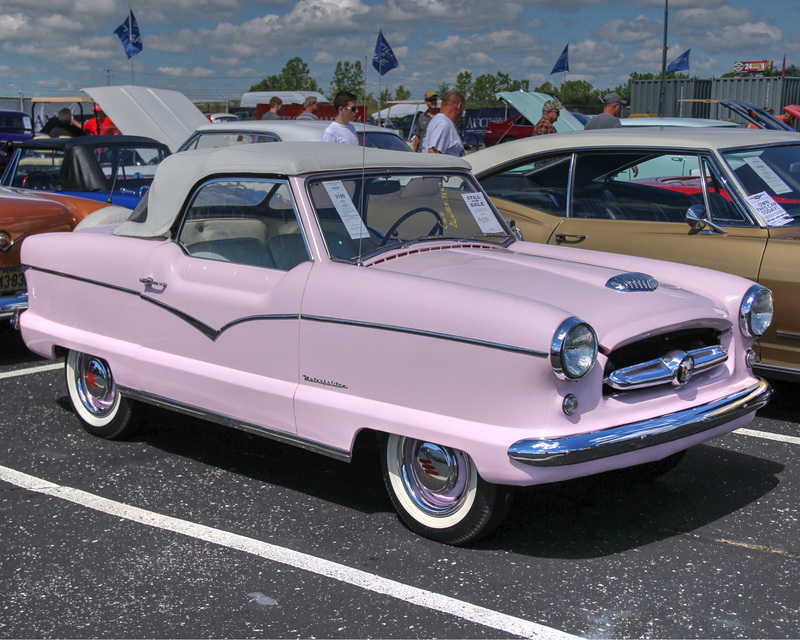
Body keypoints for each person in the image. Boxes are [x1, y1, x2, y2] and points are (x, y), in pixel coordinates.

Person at [421, 89, 465, 157]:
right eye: (463, 109)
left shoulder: (438, 120)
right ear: (459, 106)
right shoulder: (443, 124)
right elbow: (433, 156)